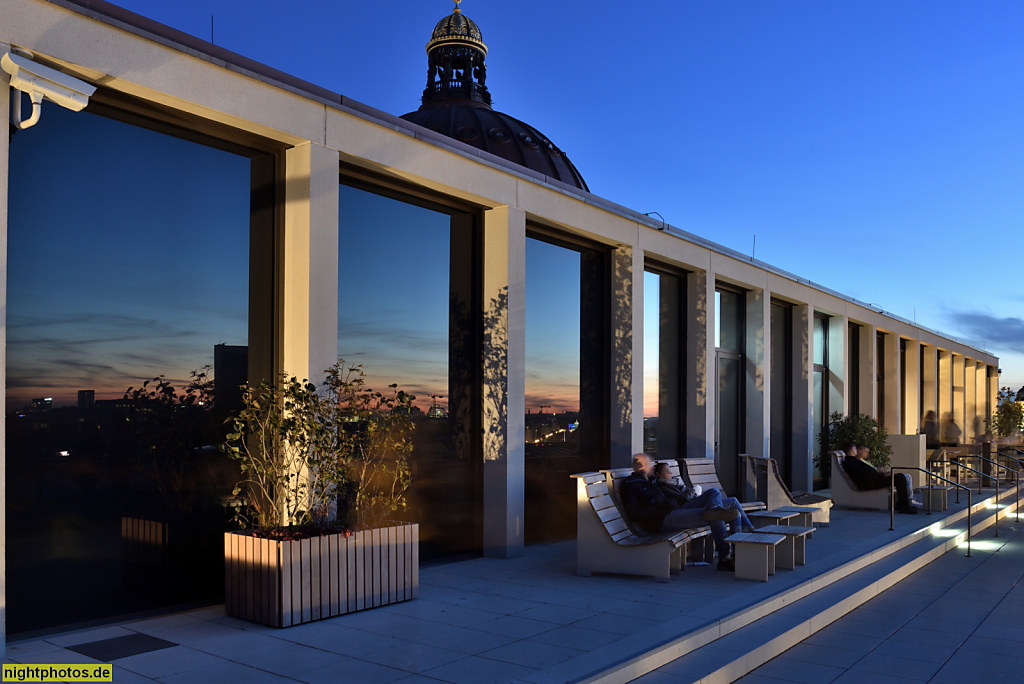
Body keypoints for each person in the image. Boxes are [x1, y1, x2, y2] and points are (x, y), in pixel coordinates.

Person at [620, 453, 739, 571]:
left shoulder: (650, 481)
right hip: (664, 520)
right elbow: (634, 515)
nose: (653, 466)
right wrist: (662, 506)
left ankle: (737, 538)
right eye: (650, 464)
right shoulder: (631, 484)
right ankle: (725, 559)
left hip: (675, 511)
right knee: (715, 516)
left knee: (715, 494)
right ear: (641, 466)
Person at [654, 462, 756, 538]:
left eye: (670, 470)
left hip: (690, 503)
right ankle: (714, 511)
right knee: (715, 506)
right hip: (684, 508)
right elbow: (684, 498)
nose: (670, 472)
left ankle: (747, 530)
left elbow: (687, 494)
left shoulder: (675, 483)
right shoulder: (662, 486)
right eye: (667, 471)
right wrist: (694, 491)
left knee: (732, 501)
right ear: (658, 474)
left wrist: (694, 493)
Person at [841, 443, 918, 514]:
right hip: (870, 483)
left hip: (872, 480)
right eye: (855, 449)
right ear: (852, 450)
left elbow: (866, 472)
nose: (856, 451)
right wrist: (882, 475)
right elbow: (864, 474)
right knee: (900, 478)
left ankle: (903, 504)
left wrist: (882, 474)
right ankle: (904, 506)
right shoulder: (850, 462)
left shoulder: (852, 461)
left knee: (899, 476)